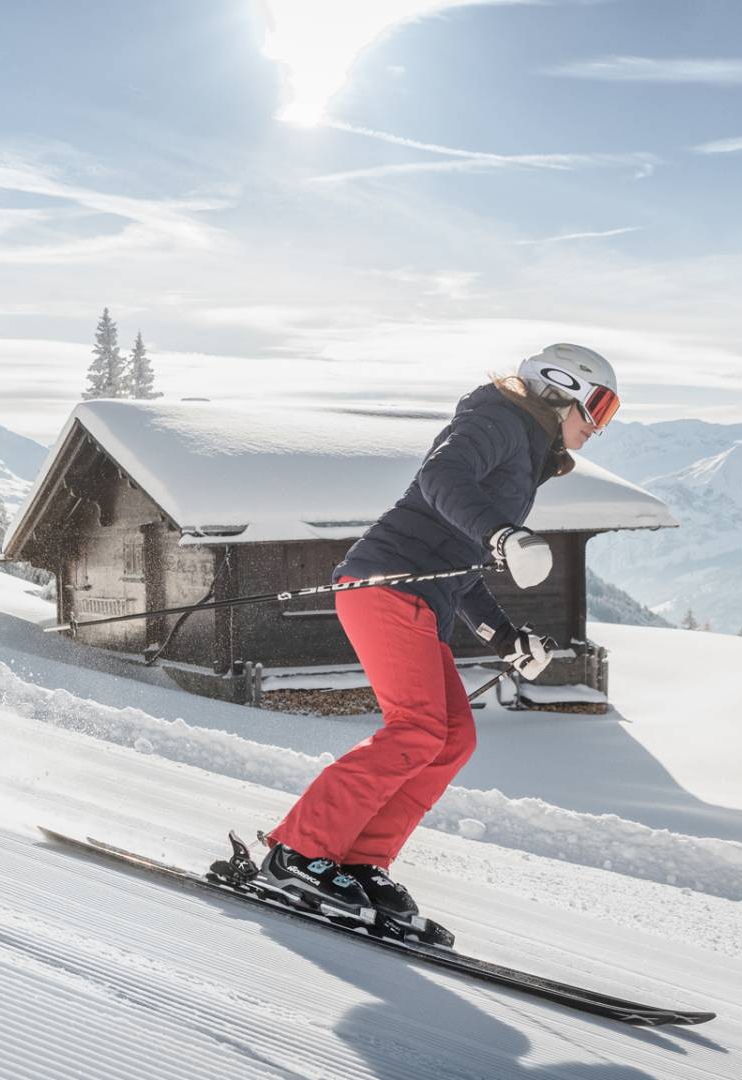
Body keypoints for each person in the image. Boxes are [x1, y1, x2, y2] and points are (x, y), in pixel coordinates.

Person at [260, 343, 621, 924]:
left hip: (420, 597)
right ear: (561, 390)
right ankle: (298, 851)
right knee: (419, 729)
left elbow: (460, 566)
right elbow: (440, 475)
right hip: (383, 584)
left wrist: (503, 638)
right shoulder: (498, 417)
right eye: (599, 408)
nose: (599, 427)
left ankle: (358, 861)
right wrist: (502, 533)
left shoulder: (526, 455)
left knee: (452, 738)